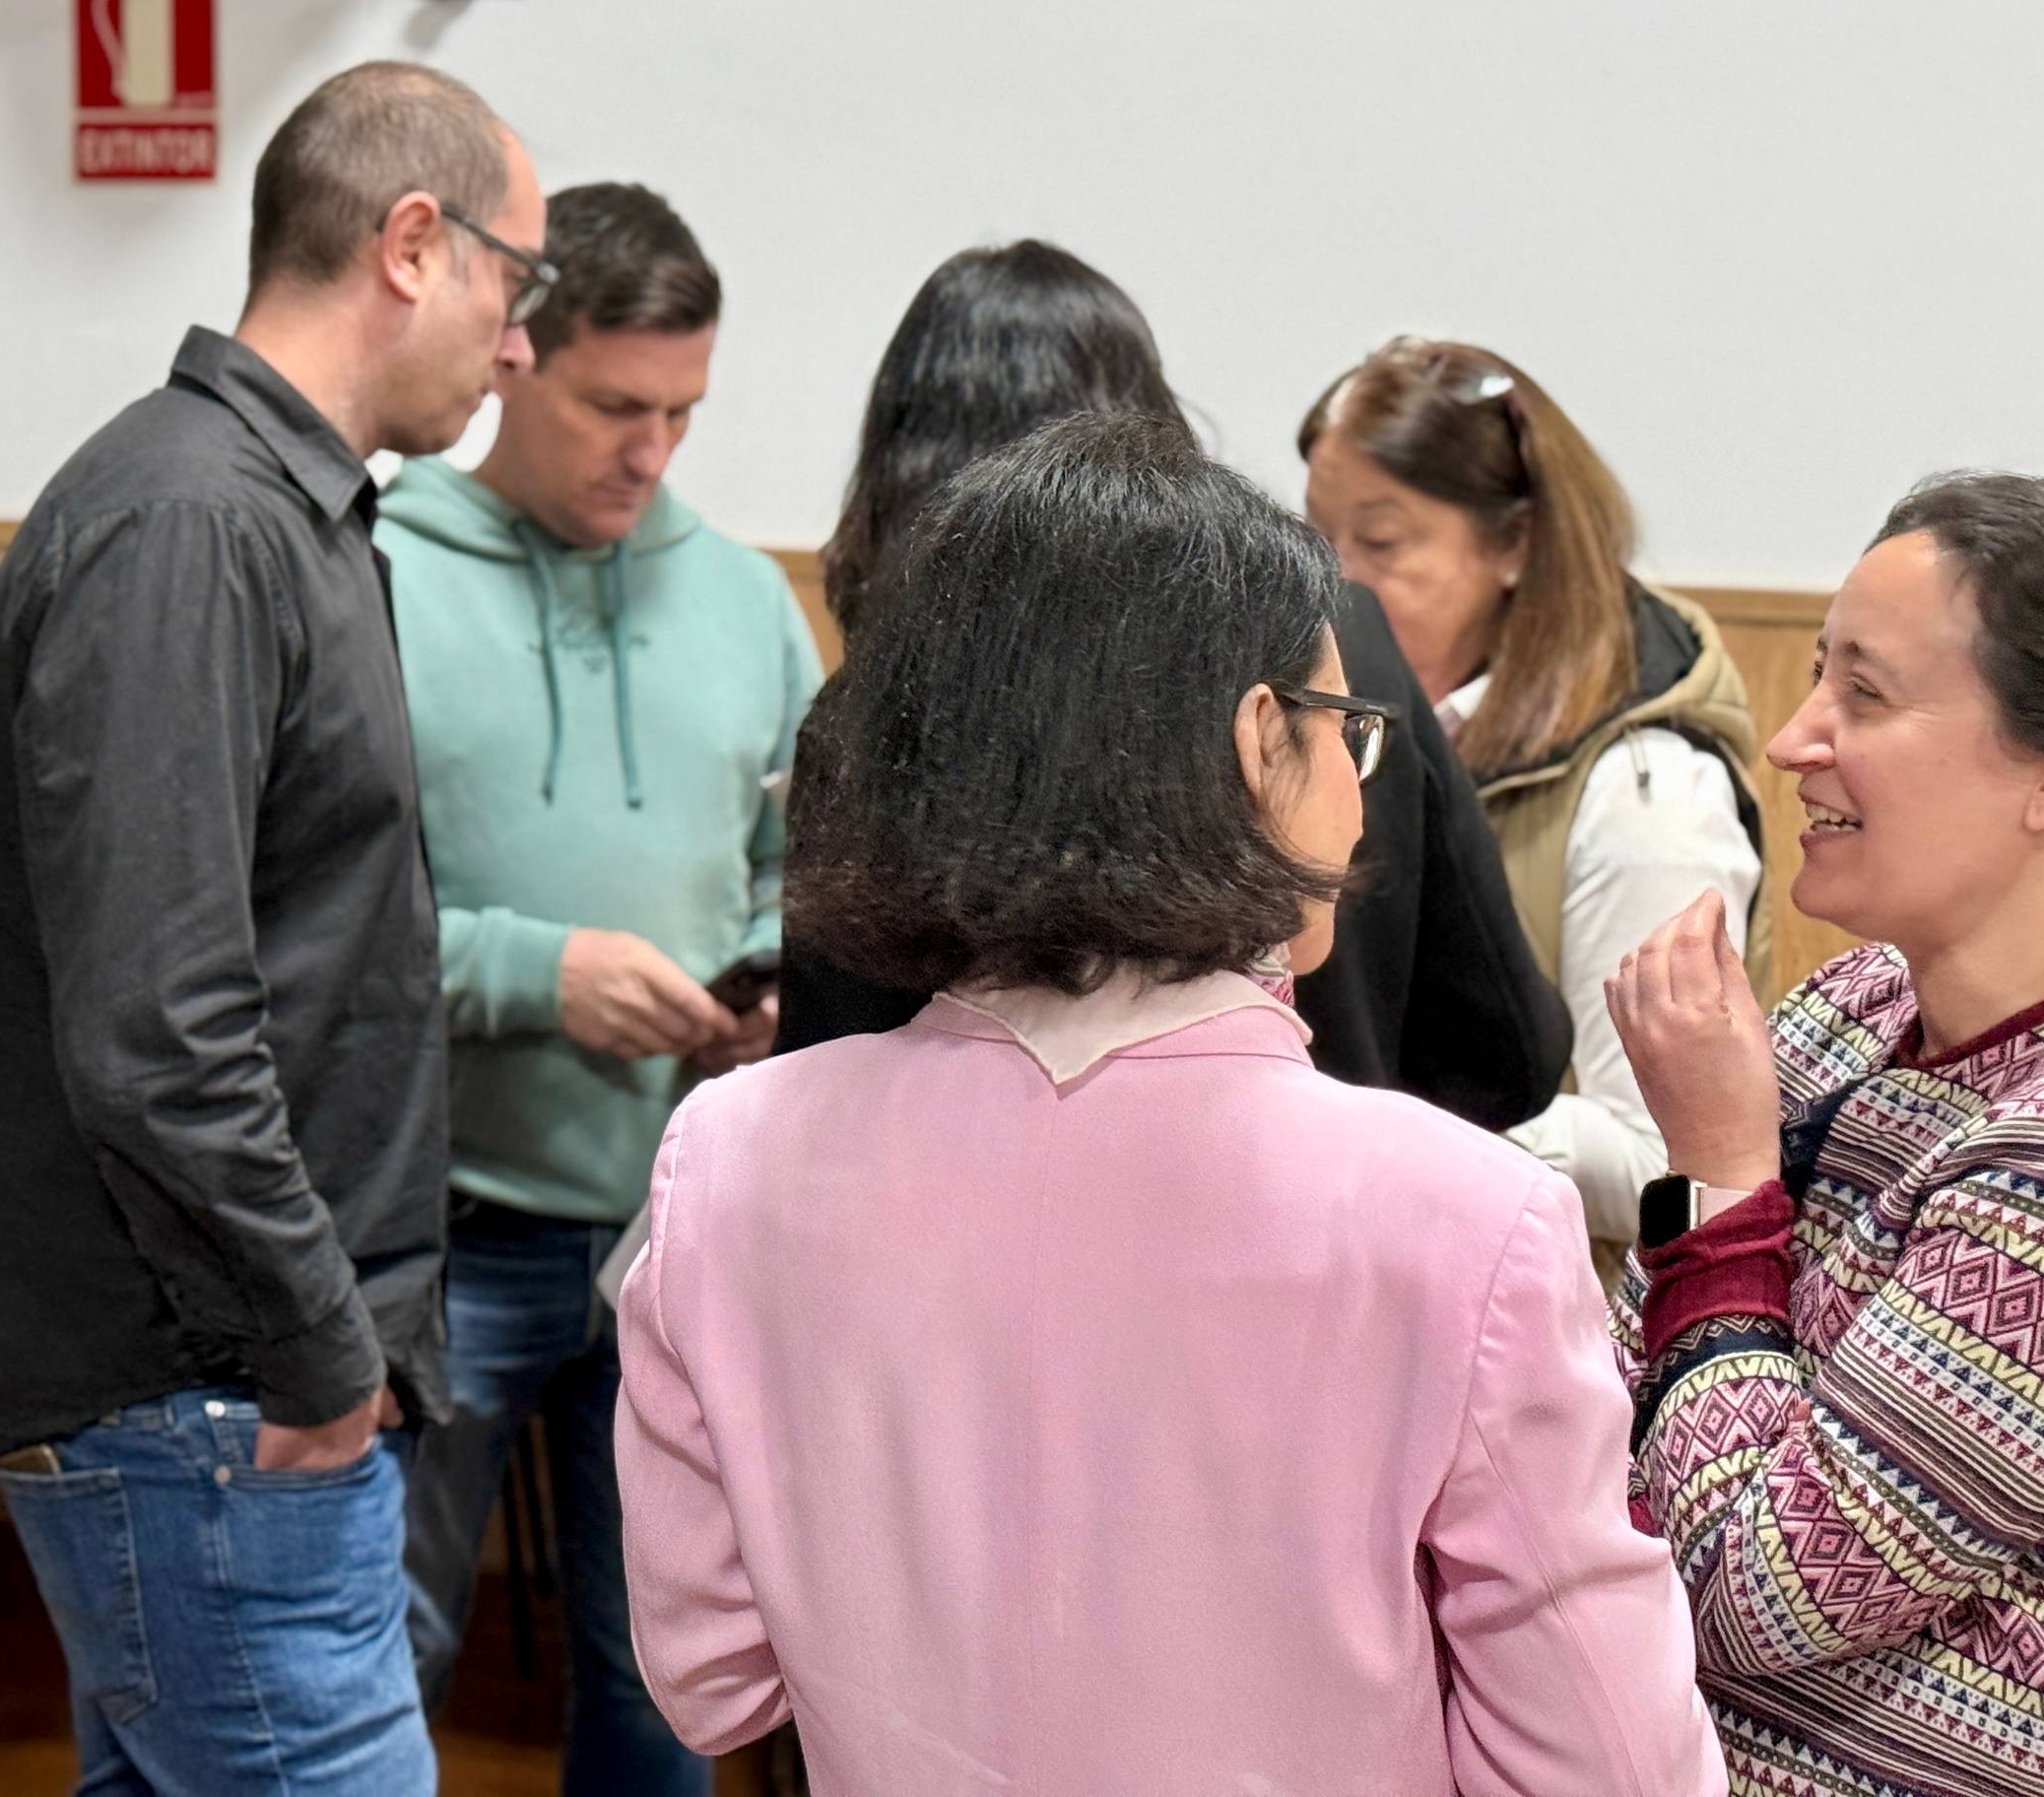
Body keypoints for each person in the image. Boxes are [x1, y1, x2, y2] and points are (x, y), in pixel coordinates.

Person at [617, 412, 1724, 1794]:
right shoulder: (1465, 1219)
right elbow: (1616, 1765)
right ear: (1261, 742)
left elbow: (710, 1671)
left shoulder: (731, 1157)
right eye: (1347, 734)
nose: (1358, 792)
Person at [0, 61, 548, 1793]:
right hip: (212, 1401)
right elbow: (158, 1029)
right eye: (517, 280)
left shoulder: (275, 509)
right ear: (412, 244)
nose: (519, 343)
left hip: (227, 1398)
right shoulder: (191, 523)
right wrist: (318, 1351)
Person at [1608, 473, 2044, 1797]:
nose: (1793, 740)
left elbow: (1741, 1586)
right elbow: (1630, 1390)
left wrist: (1716, 1175)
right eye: (1816, 677)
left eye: (1864, 695)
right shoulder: (1868, 1000)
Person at [379, 181, 820, 1795]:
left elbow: (806, 870)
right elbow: (311, 927)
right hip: (442, 1230)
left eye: (682, 413)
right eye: (615, 406)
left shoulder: (746, 600)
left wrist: (776, 984)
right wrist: (531, 972)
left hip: (681, 1233)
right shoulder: (377, 577)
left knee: (666, 1677)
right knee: (387, 1656)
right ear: (513, 357)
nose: (652, 453)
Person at [782, 241, 1573, 1128]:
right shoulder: (1343, 644)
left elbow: (827, 1083)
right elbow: (1508, 1051)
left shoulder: (874, 714)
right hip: (1339, 1184)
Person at [1300, 338, 1767, 1277]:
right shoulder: (1351, 724)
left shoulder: (1648, 790)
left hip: (1561, 1309)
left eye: (1381, 544)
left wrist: (1391, 1107)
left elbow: (1661, 1154)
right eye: (1317, 538)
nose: (1335, 583)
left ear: (1512, 545)